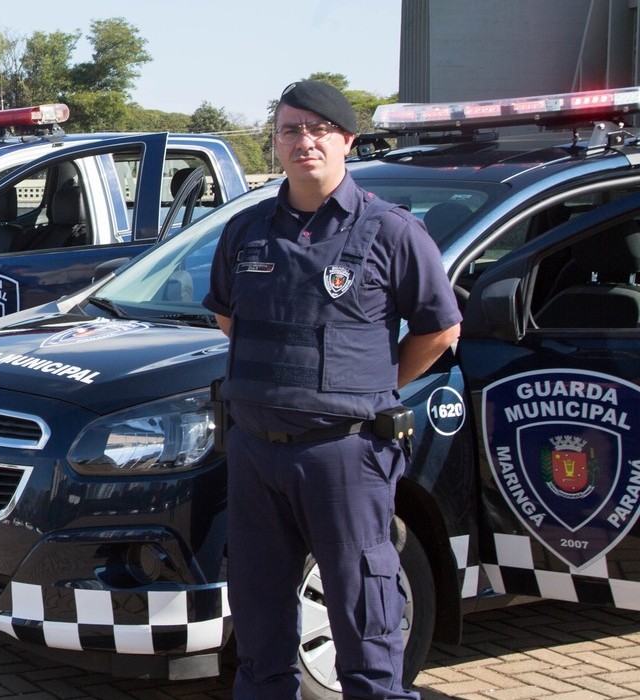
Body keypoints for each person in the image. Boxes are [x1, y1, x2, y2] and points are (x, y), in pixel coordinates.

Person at [202, 80, 461, 699]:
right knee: (260, 624)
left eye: (319, 130)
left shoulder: (391, 230)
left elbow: (441, 329)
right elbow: (228, 320)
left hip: (344, 455)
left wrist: (372, 386)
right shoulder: (245, 231)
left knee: (363, 618)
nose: (304, 141)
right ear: (277, 142)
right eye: (291, 129)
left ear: (347, 140)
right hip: (256, 452)